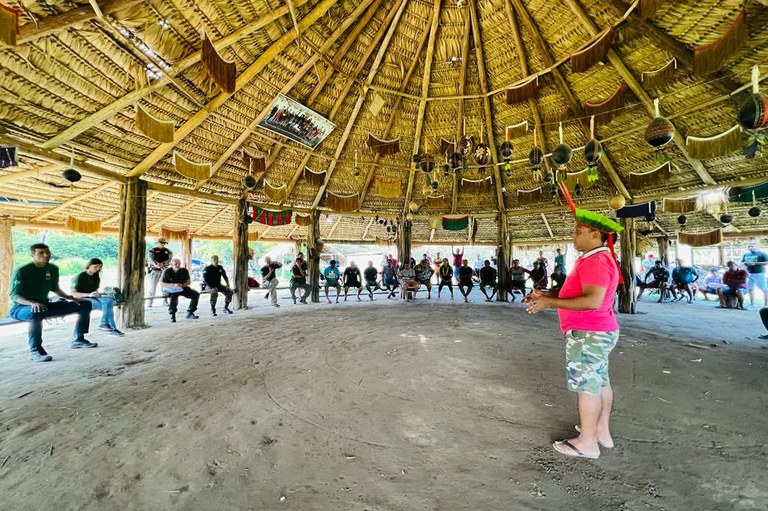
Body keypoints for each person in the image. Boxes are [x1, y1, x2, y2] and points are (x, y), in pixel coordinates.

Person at [524, 202, 624, 460]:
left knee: (587, 386)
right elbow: (578, 293)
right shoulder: (596, 258)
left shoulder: (596, 261)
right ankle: (601, 430)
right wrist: (546, 295)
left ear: (595, 235)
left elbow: (591, 301)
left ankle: (587, 442)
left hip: (588, 333)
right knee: (600, 381)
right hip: (599, 331)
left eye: (579, 231)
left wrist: (549, 302)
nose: (573, 235)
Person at [10, 243, 96, 361]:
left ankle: (78, 339)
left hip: (45, 305)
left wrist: (69, 297)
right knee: (36, 311)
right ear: (32, 255)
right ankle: (36, 350)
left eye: (47, 252)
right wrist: (32, 303)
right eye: (41, 253)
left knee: (85, 304)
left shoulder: (53, 269)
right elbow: (14, 295)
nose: (46, 255)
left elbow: (54, 288)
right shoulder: (22, 270)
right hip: (21, 308)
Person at [71, 258, 124, 337]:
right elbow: (73, 294)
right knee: (108, 306)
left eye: (100, 267)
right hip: (82, 298)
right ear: (89, 265)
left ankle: (105, 324)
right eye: (96, 266)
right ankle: (110, 327)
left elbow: (95, 291)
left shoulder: (96, 277)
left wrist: (103, 293)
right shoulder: (80, 276)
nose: (98, 269)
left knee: (109, 300)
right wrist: (89, 295)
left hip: (92, 296)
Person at [161, 258, 200, 322]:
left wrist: (183, 285)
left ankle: (190, 312)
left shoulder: (184, 270)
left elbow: (188, 281)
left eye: (179, 264)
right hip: (170, 288)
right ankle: (172, 315)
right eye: (175, 264)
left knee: (195, 294)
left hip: (181, 287)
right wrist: (173, 284)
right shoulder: (167, 271)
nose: (177, 265)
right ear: (171, 264)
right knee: (174, 296)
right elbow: (162, 284)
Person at [741, 242, 768, 307]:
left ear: (756, 246)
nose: (750, 247)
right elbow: (743, 262)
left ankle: (766, 304)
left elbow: (767, 262)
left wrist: (756, 263)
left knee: (764, 289)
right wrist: (746, 264)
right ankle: (752, 303)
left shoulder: (762, 254)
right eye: (749, 246)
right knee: (750, 288)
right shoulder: (746, 254)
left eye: (752, 246)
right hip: (749, 273)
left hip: (759, 273)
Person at [147, 238, 172, 307]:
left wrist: (163, 264)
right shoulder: (153, 250)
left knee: (165, 286)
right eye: (161, 242)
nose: (162, 244)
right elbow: (150, 259)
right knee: (152, 287)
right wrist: (156, 264)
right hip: (154, 270)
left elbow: (170, 259)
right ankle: (150, 301)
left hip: (164, 270)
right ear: (157, 243)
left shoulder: (168, 251)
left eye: (164, 243)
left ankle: (165, 301)